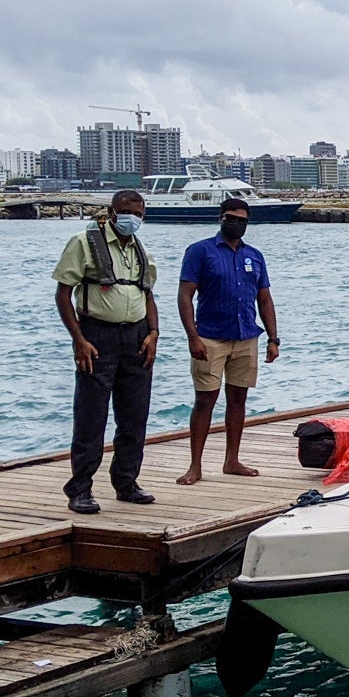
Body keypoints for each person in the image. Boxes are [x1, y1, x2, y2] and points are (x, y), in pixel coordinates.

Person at [52, 190, 160, 514]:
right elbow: (63, 295)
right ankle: (80, 489)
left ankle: (126, 482)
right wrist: (78, 339)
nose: (132, 218)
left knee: (134, 415)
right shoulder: (84, 243)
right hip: (97, 336)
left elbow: (149, 295)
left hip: (137, 337)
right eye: (126, 211)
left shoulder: (141, 251)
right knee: (90, 416)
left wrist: (154, 333)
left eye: (138, 213)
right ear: (112, 212)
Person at [175, 197, 280, 485]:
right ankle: (195, 466)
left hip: (246, 335)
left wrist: (273, 338)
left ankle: (231, 460)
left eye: (243, 220)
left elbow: (265, 298)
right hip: (209, 337)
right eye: (232, 218)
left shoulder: (254, 256)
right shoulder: (200, 252)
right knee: (205, 400)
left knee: (238, 399)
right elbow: (185, 296)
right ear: (220, 218)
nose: (237, 224)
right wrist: (192, 336)